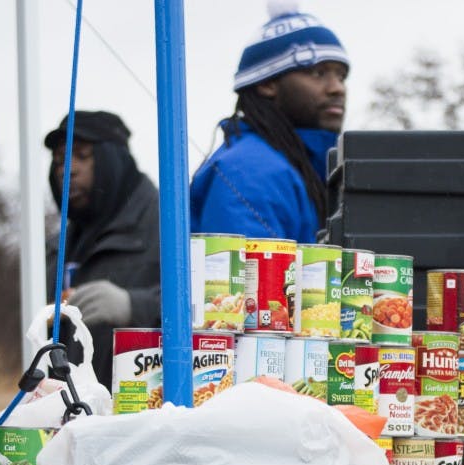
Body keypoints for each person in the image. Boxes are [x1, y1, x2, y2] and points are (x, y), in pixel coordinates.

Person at [190, 3, 349, 243]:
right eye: (318, 73)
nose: (337, 88)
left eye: (341, 76)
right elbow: (246, 279)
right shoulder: (250, 171)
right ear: (267, 84)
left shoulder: (307, 164)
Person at [44, 110, 161, 389]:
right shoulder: (57, 246)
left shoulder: (166, 224)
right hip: (70, 409)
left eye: (82, 156)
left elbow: (210, 310)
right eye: (59, 160)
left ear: (113, 162)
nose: (67, 169)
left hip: (143, 412)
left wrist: (133, 305)